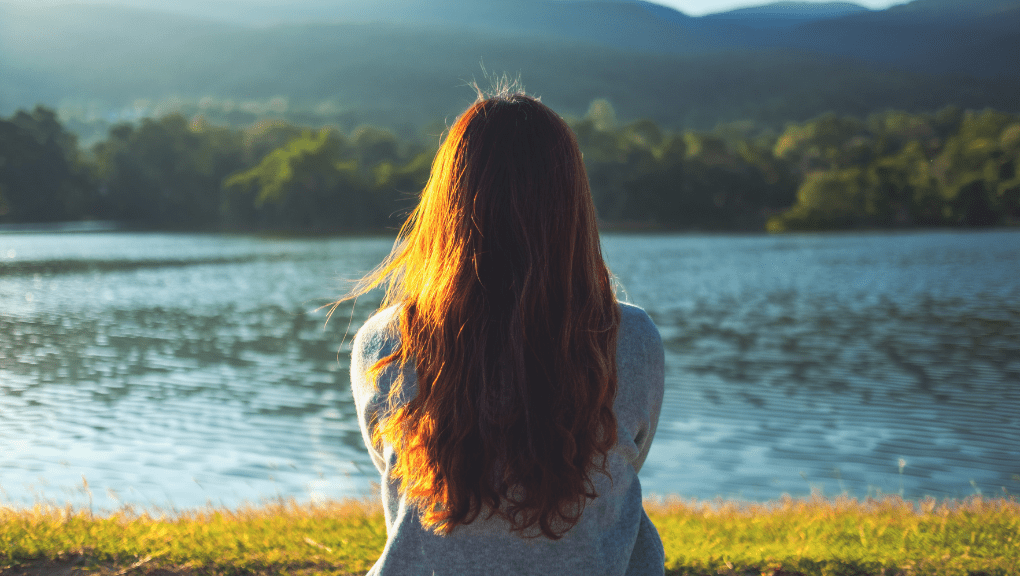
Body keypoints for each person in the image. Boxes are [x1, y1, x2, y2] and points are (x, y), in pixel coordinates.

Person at [344, 88, 665, 576]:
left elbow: (392, 468)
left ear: (446, 202)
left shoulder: (384, 341)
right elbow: (628, 461)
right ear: (571, 203)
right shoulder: (632, 338)